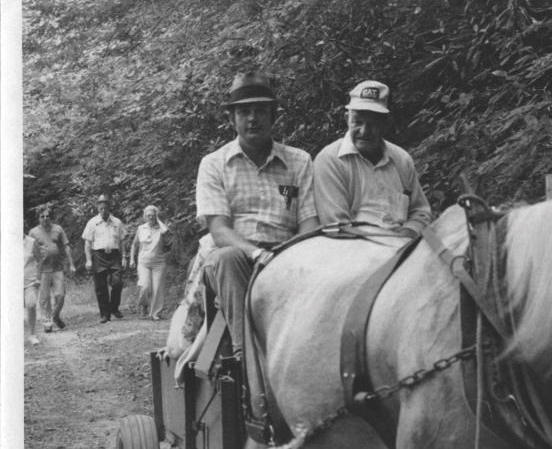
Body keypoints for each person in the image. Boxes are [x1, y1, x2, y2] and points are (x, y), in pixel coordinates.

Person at [196, 70, 320, 359]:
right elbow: (219, 230)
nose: (253, 118)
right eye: (244, 111)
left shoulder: (299, 160)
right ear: (232, 119)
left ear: (273, 116)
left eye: (261, 111)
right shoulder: (214, 164)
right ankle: (247, 360)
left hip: (290, 254)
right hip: (240, 256)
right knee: (226, 259)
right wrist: (256, 254)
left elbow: (311, 223)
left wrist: (287, 256)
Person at [312, 79, 431, 239]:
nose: (364, 131)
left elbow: (421, 212)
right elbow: (337, 227)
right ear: (347, 118)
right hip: (351, 252)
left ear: (386, 123)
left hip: (403, 251)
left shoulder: (402, 160)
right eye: (357, 122)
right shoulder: (330, 160)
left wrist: (408, 232)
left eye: (373, 123)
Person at [28, 207, 76, 332]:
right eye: (42, 216)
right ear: (38, 218)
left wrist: (71, 264)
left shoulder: (58, 229)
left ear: (51, 217)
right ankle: (47, 323)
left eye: (47, 216)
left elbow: (66, 246)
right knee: (44, 298)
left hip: (57, 268)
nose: (45, 218)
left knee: (60, 295)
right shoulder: (33, 232)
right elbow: (29, 251)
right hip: (42, 270)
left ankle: (55, 316)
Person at [82, 194, 127, 323]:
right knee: (100, 287)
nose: (103, 210)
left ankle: (114, 308)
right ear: (98, 208)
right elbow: (87, 243)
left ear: (109, 207)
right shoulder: (92, 223)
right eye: (100, 208)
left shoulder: (117, 222)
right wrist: (89, 260)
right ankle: (104, 314)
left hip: (114, 255)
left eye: (105, 207)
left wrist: (124, 256)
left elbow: (123, 241)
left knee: (117, 283)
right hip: (98, 255)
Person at [129, 205, 169, 320]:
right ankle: (143, 305)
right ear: (144, 217)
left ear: (156, 216)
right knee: (145, 286)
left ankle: (155, 313)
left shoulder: (160, 228)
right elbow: (134, 244)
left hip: (159, 263)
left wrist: (159, 220)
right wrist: (132, 259)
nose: (150, 217)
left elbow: (166, 231)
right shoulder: (141, 228)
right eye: (148, 215)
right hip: (143, 262)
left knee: (157, 289)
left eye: (153, 215)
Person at [23, 231, 42, 346]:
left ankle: (32, 334)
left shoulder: (32, 242)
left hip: (30, 280)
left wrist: (38, 278)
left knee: (31, 305)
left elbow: (39, 260)